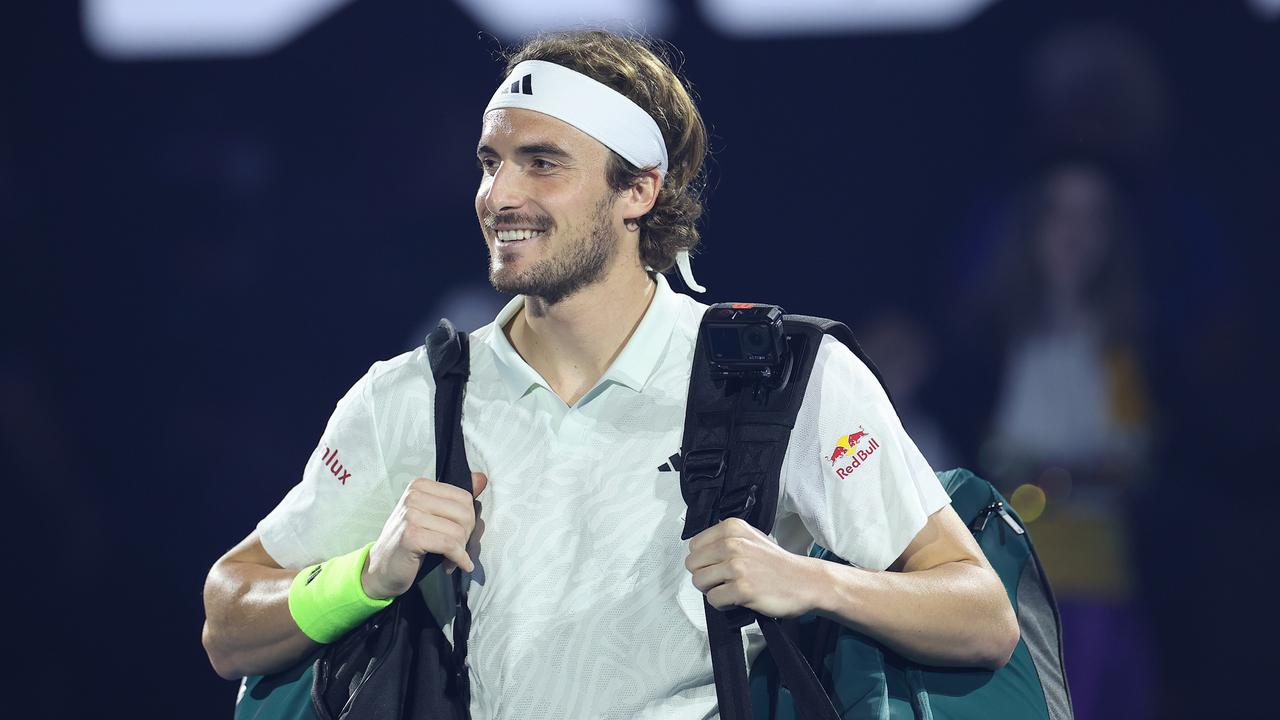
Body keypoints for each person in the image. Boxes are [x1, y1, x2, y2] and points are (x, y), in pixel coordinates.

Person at [201, 30, 1018, 719]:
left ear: (639, 190)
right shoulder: (407, 397)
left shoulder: (789, 378)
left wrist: (812, 582)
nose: (498, 194)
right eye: (491, 162)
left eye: (542, 163)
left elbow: (981, 615)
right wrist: (364, 576)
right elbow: (229, 621)